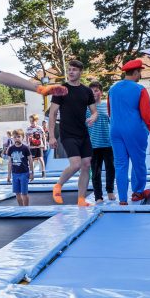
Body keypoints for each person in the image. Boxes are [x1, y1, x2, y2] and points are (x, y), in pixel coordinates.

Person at [108, 60, 150, 203]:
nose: (140, 75)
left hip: (114, 130)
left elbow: (109, 111)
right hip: (134, 130)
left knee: (120, 164)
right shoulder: (140, 89)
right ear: (136, 72)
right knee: (138, 162)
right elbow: (146, 114)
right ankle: (137, 193)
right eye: (140, 72)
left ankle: (123, 198)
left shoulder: (112, 89)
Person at [48, 60, 98, 207]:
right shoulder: (61, 89)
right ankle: (58, 186)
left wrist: (93, 117)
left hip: (83, 133)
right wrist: (51, 136)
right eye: (69, 69)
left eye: (74, 70)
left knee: (86, 164)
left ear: (80, 72)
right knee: (76, 164)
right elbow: (52, 113)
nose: (70, 72)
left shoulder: (87, 91)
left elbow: (94, 112)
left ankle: (81, 199)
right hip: (67, 132)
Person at [87, 82, 115, 203]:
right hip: (93, 145)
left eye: (96, 90)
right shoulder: (86, 109)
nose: (94, 93)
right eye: (92, 90)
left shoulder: (106, 106)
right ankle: (98, 196)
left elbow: (113, 123)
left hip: (108, 143)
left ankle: (110, 191)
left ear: (101, 92)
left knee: (111, 168)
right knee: (95, 172)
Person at [8, 129, 32, 206]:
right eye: (15, 137)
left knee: (24, 193)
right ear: (13, 138)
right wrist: (8, 175)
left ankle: (27, 209)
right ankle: (21, 209)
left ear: (22, 137)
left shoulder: (25, 148)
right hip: (15, 174)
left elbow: (30, 160)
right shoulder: (11, 149)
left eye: (19, 137)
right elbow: (9, 162)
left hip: (24, 173)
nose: (17, 138)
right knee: (17, 193)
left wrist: (31, 173)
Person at [26, 114, 47, 179]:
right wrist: (27, 145)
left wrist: (45, 145)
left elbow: (44, 137)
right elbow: (26, 137)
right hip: (32, 147)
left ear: (36, 121)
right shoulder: (28, 128)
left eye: (33, 121)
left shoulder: (39, 128)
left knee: (40, 159)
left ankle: (43, 172)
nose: (32, 123)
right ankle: (31, 172)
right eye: (30, 121)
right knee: (31, 160)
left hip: (39, 146)